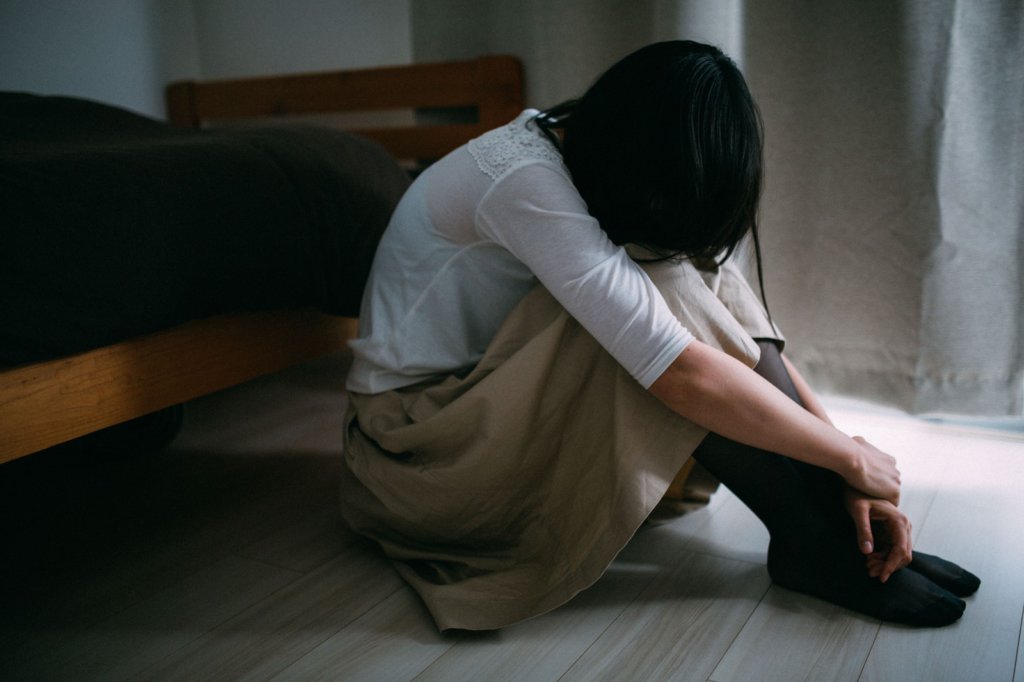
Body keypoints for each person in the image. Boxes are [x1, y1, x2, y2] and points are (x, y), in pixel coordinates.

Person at [340, 40, 979, 632]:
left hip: (479, 422)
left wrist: (845, 471)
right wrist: (847, 458)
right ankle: (810, 538)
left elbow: (735, 324)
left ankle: (829, 531)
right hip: (413, 458)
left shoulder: (584, 155)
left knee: (688, 272)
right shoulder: (522, 181)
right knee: (659, 295)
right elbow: (680, 369)